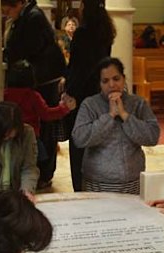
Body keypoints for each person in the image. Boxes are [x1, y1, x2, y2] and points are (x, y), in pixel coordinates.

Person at [1, 0, 67, 190]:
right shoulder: (28, 16)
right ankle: (37, 172)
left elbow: (27, 49)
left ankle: (43, 173)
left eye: (8, 7)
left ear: (19, 4)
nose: (5, 12)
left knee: (43, 128)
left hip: (43, 80)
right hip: (39, 79)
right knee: (37, 129)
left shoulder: (33, 17)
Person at [72, 57, 159, 194]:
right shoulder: (90, 104)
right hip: (98, 183)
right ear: (99, 84)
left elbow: (153, 137)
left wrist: (125, 115)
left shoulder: (138, 103)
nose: (112, 85)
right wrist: (110, 116)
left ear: (124, 79)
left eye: (116, 79)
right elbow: (80, 138)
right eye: (105, 81)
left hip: (132, 180)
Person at [66, 0, 116, 192]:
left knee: (79, 144)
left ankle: (80, 189)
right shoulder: (105, 32)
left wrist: (69, 91)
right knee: (97, 141)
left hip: (82, 96)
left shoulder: (82, 34)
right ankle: (98, 187)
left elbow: (78, 68)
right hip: (100, 93)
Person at [4, 60, 76, 172]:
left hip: (10, 136)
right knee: (30, 167)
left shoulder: (5, 94)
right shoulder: (33, 96)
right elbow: (46, 114)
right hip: (31, 138)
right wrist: (64, 109)